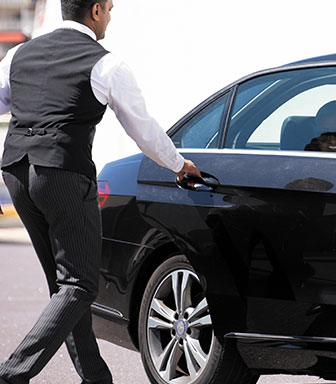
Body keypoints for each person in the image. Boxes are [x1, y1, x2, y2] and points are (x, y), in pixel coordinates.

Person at [0, 1, 200, 383]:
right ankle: (12, 373)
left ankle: (95, 377)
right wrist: (178, 164)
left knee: (64, 289)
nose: (110, 14)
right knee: (78, 285)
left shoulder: (18, 55)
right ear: (94, 11)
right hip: (62, 174)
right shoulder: (106, 64)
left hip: (15, 171)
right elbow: (143, 129)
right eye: (108, 7)